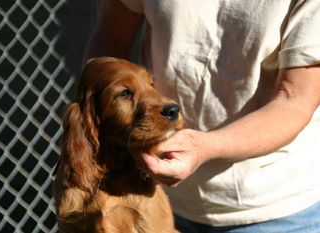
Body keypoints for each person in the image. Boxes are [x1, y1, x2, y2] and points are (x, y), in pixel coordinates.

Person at [85, 0, 320, 232]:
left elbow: (294, 99)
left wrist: (202, 146)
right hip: (154, 194)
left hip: (272, 207)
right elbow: (110, 39)